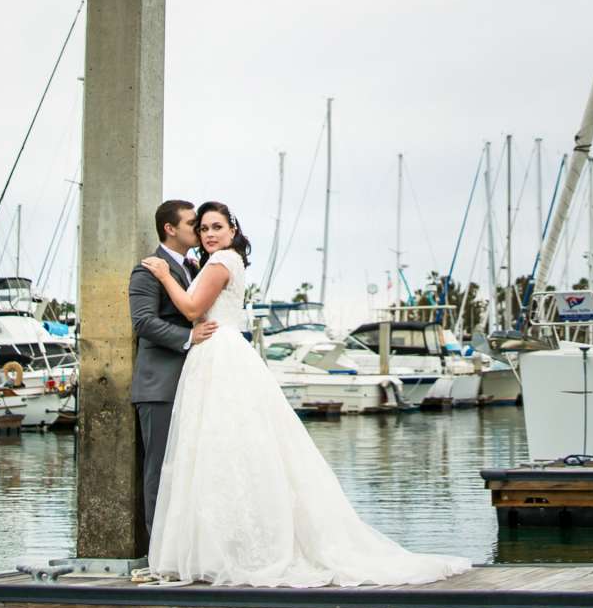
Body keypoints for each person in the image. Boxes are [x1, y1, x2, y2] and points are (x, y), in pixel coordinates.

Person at [140, 200, 470, 587]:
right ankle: (223, 547)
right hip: (217, 353)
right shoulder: (223, 262)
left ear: (232, 230)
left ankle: (229, 549)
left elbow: (194, 308)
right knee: (220, 450)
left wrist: (165, 276)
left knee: (214, 448)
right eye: (204, 228)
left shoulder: (219, 263)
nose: (210, 234)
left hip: (216, 352)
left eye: (217, 227)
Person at [129, 199, 219, 546]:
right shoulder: (147, 270)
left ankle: (184, 547)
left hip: (189, 383)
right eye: (191, 223)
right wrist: (188, 337)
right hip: (159, 386)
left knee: (186, 469)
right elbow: (143, 321)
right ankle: (159, 550)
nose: (198, 229)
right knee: (160, 468)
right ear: (170, 228)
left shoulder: (192, 267)